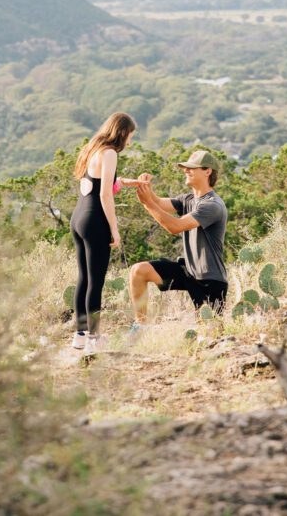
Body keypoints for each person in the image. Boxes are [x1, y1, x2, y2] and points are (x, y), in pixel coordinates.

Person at [129, 150, 228, 324]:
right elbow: (158, 203)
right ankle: (140, 326)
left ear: (207, 171)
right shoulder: (188, 199)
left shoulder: (212, 205)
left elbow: (174, 227)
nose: (185, 171)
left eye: (191, 168)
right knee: (139, 271)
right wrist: (146, 189)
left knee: (209, 333)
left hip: (210, 280)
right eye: (185, 168)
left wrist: (147, 203)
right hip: (188, 272)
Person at [69, 112, 138, 353]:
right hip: (94, 221)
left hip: (78, 218)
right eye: (130, 136)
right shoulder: (110, 153)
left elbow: (101, 182)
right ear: (122, 132)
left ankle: (80, 335)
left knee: (84, 279)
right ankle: (94, 339)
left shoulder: (94, 148)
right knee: (95, 282)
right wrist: (114, 229)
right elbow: (105, 194)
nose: (130, 141)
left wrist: (131, 183)